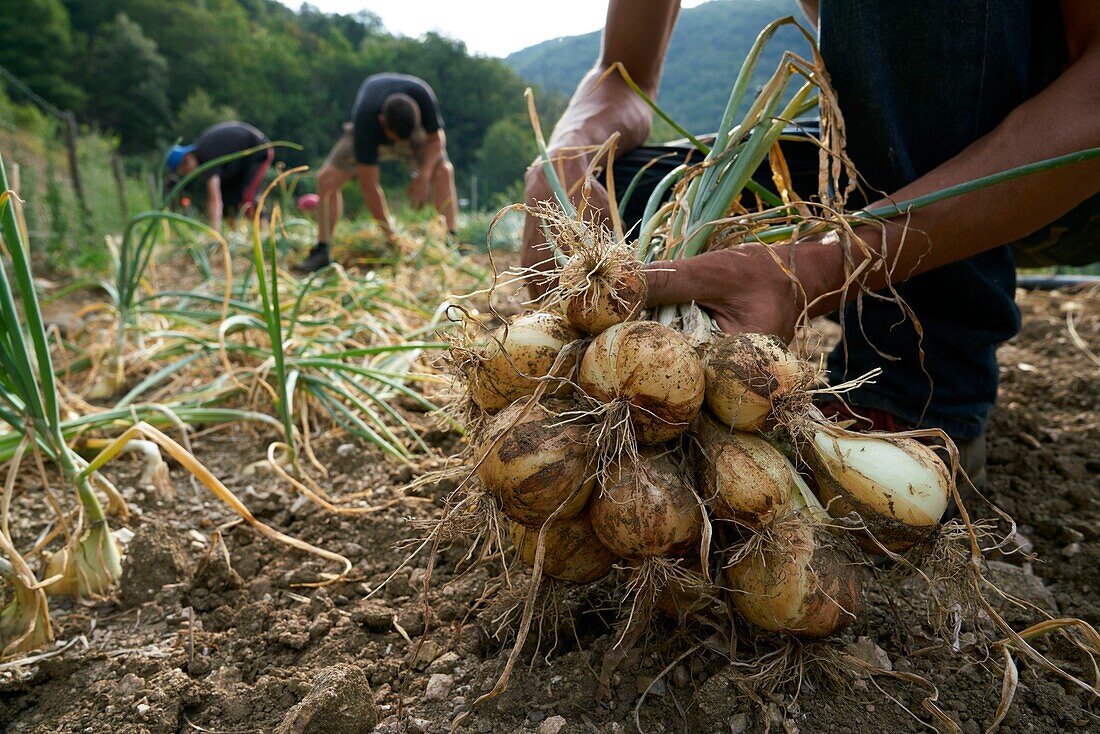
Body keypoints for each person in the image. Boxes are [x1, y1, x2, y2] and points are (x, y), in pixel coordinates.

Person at [523, 0, 1100, 483]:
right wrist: (566, 158)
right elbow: (621, 72)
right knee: (630, 194)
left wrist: (815, 266)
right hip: (868, 158)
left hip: (1064, 168)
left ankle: (919, 386)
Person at [296, 72, 459, 273]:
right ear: (382, 121)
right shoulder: (366, 120)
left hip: (415, 135)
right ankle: (322, 250)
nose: (399, 145)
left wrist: (424, 177)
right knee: (326, 179)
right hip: (370, 133)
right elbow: (369, 187)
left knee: (443, 170)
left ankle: (452, 243)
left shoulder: (423, 95)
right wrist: (391, 237)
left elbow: (436, 139)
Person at [167, 121, 273, 231]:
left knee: (247, 197)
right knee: (229, 203)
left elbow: (214, 198)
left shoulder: (206, 155)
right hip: (238, 164)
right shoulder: (204, 154)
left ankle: (264, 232)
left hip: (259, 151)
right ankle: (235, 236)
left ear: (188, 159)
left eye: (185, 170)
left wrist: (214, 232)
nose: (188, 174)